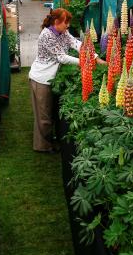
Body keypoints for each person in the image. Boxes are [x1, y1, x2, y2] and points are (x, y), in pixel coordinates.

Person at [29, 8, 105, 152]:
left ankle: (50, 141)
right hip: (41, 79)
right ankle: (43, 146)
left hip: (52, 77)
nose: (68, 26)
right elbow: (62, 57)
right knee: (43, 117)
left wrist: (95, 57)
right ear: (56, 22)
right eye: (66, 22)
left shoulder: (62, 32)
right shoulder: (46, 35)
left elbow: (77, 44)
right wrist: (85, 61)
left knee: (50, 113)